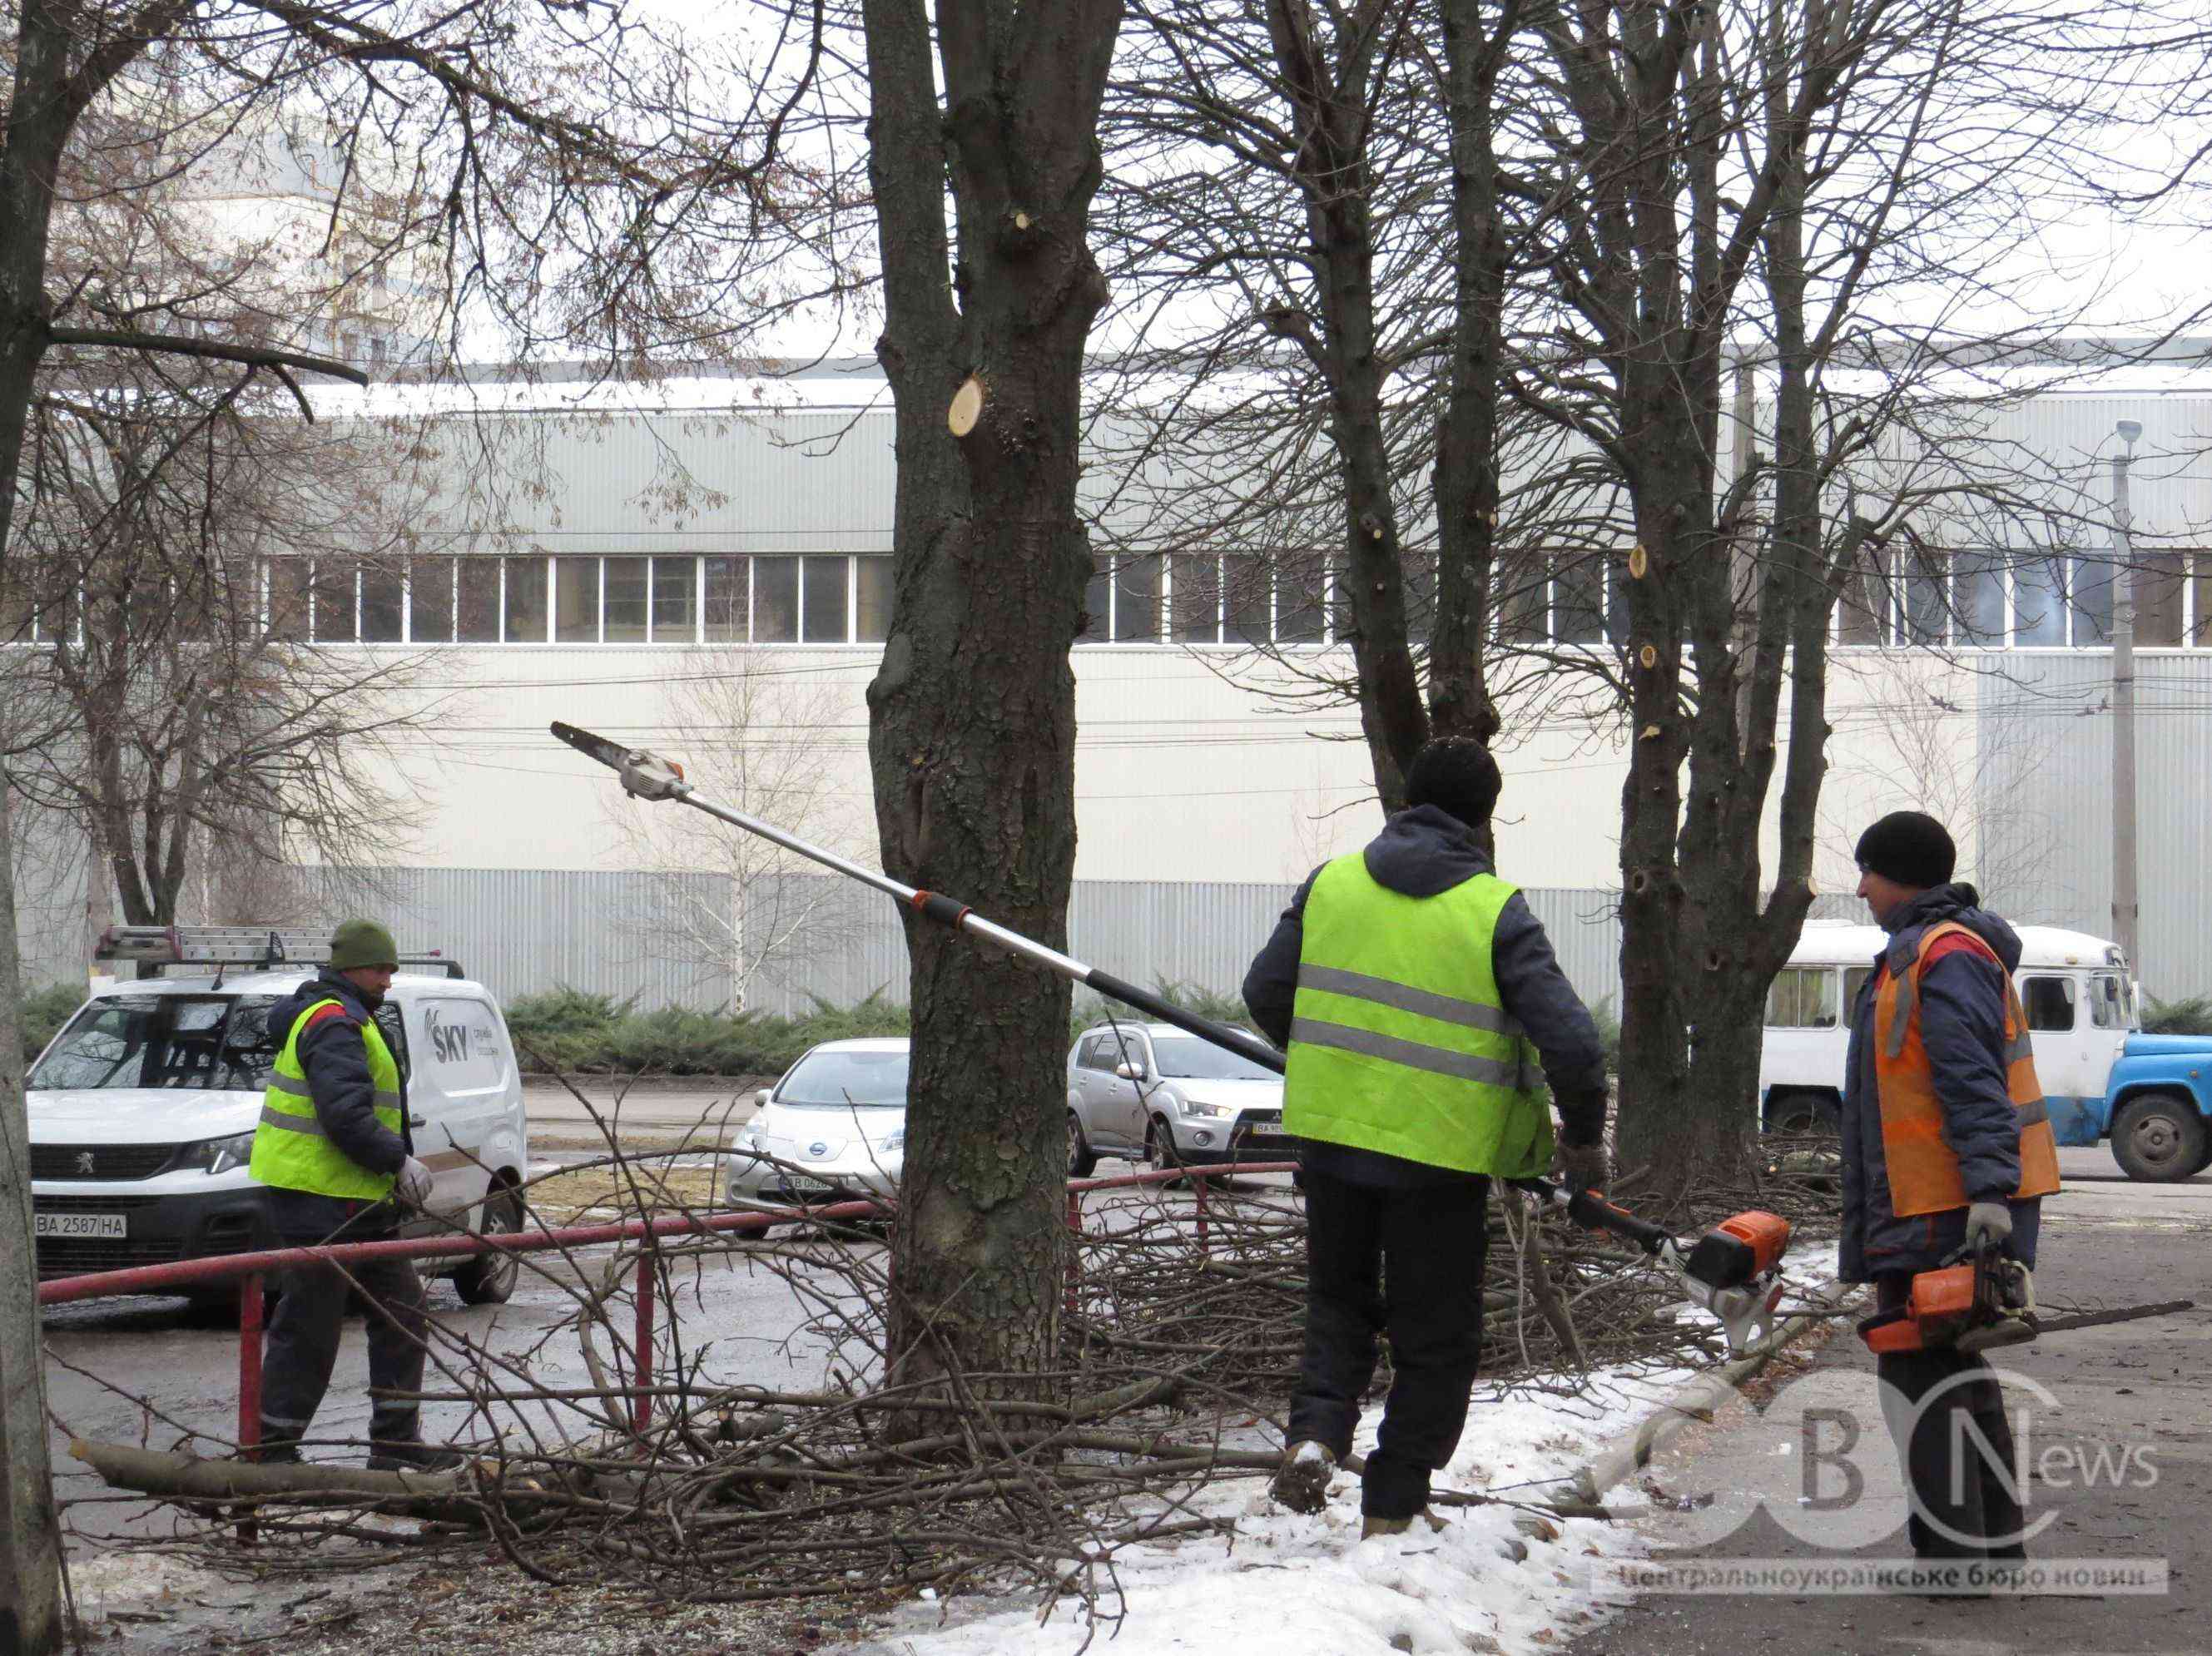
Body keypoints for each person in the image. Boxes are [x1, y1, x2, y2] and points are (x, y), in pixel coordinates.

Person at [1241, 736, 1611, 1537]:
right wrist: (1583, 1138)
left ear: (1406, 800)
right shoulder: (1493, 910)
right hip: (1443, 1160)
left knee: (1339, 1302)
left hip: (1333, 1142)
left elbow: (1264, 990)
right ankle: (1392, 1505)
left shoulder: (1332, 884)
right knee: (1434, 1338)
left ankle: (1314, 1438)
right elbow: (1574, 1047)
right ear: (1482, 820)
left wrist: (1329, 1063)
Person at [1841, 811, 2060, 1578]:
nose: (1860, 886)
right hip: (1929, 1202)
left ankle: (1956, 1559)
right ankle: (1990, 1551)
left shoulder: (1944, 956)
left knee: (1919, 1374)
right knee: (1955, 1372)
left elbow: (1973, 1085)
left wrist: (1989, 1197)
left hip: (1943, 1209)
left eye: (1868, 870)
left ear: (1900, 875)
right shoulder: (1922, 954)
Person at [248, 919, 461, 1470]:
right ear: (349, 970)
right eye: (378, 968)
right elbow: (345, 1115)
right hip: (321, 1201)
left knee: (402, 1315)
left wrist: (391, 1172)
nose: (388, 979)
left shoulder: (348, 1018)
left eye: (391, 968)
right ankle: (272, 1449)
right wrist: (398, 1161)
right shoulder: (335, 1023)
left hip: (356, 1202)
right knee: (310, 1328)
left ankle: (393, 1445)